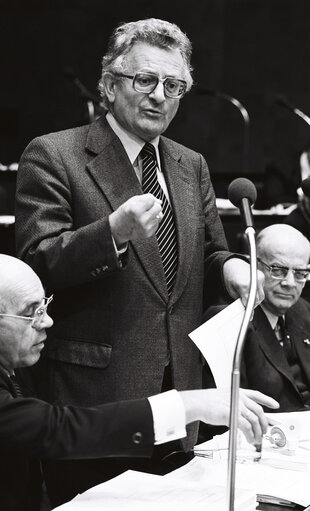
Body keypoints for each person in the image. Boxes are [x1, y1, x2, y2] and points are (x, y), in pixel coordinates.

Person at [15, 17, 264, 505]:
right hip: (96, 400)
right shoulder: (55, 154)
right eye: (145, 80)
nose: (159, 95)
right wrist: (111, 234)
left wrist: (231, 267)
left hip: (181, 400)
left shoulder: (189, 164)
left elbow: (209, 252)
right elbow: (35, 264)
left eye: (174, 85)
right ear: (109, 85)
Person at [0, 251, 277, 511]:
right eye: (31, 313)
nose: (47, 321)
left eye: (44, 306)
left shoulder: (12, 357)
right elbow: (55, 429)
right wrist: (187, 404)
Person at [204, 224, 310, 412]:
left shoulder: (303, 309)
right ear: (251, 263)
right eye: (277, 270)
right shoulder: (227, 321)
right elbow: (226, 415)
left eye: (300, 273)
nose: (290, 283)